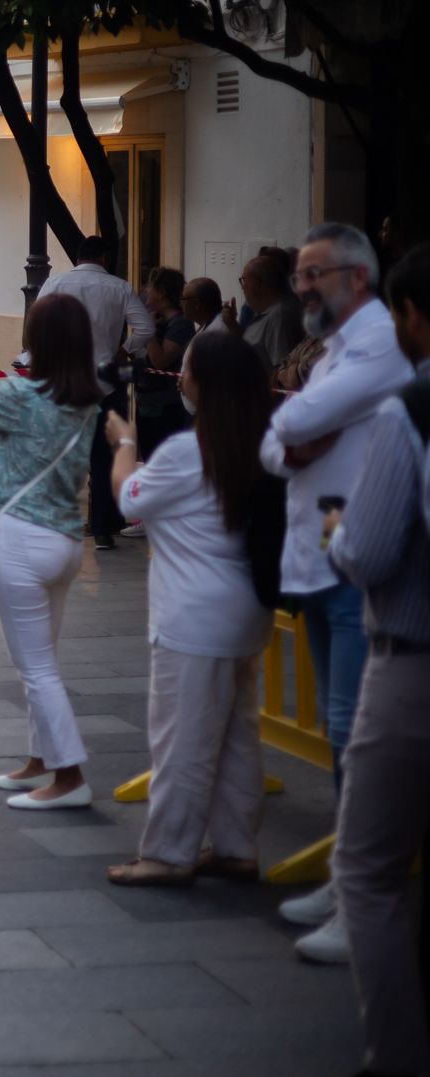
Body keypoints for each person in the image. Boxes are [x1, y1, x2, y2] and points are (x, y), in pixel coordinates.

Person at [261, 223, 412, 962]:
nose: (301, 287)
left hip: (354, 560)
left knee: (355, 732)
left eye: (313, 273)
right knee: (336, 725)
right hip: (316, 559)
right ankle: (348, 879)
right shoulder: (333, 350)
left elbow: (293, 418)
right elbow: (276, 440)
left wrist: (291, 426)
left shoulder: (379, 343)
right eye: (298, 275)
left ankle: (365, 896)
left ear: (357, 278)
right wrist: (290, 435)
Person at [103, 332, 277, 887]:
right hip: (245, 612)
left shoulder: (186, 450)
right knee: (237, 736)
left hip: (194, 618)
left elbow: (128, 499)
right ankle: (236, 846)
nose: (180, 376)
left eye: (188, 369)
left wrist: (124, 443)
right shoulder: (260, 444)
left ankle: (167, 853)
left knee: (182, 739)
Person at [0, 293, 103, 809]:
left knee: (35, 667)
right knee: (41, 658)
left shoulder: (24, 396)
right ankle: (40, 759)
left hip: (21, 539)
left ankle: (70, 777)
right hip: (64, 541)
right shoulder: (84, 400)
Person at [325, 242, 430, 1075]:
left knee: (366, 867)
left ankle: (396, 1054)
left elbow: (370, 550)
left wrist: (337, 531)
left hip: (414, 661)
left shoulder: (409, 412)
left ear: (411, 315)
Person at [38, 235, 153, 550]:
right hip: (104, 383)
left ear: (78, 257)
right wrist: (123, 350)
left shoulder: (55, 283)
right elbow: (146, 328)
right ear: (104, 258)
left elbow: (37, 326)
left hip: (63, 383)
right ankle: (102, 529)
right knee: (103, 457)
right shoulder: (119, 287)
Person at [136, 266, 194, 464]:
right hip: (148, 402)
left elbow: (160, 361)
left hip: (165, 407)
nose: (145, 291)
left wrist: (148, 329)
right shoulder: (158, 321)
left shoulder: (180, 324)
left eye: (150, 286)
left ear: (161, 292)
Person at [236, 251, 302, 371]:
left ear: (257, 284)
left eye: (244, 281)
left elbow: (281, 371)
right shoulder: (264, 312)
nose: (242, 287)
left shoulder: (279, 316)